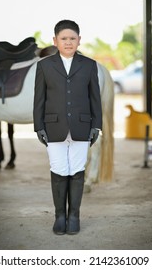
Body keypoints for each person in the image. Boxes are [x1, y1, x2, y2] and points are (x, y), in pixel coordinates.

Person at [33, 20, 102, 235]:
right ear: (55, 41)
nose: (69, 42)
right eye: (64, 38)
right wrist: (39, 126)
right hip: (53, 127)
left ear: (79, 41)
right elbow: (39, 100)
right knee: (59, 170)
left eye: (73, 38)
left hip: (82, 126)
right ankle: (60, 217)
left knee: (77, 171)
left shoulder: (89, 65)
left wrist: (96, 125)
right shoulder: (44, 66)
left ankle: (74, 216)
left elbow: (95, 99)